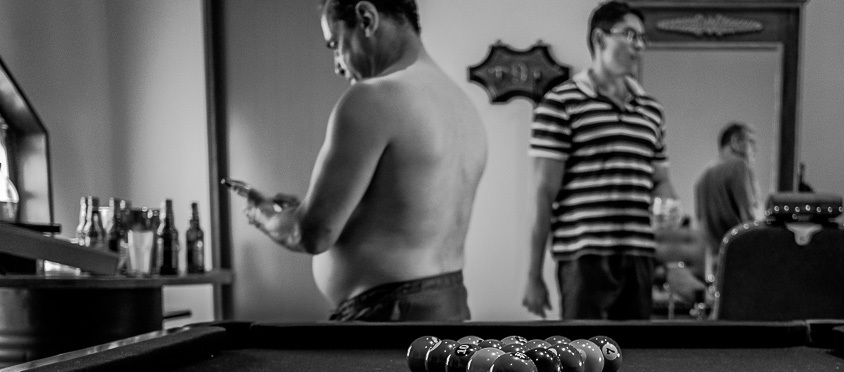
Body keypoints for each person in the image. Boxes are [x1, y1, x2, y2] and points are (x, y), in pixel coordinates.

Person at [240, 0, 488, 322]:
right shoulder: (461, 104)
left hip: (389, 318)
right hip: (449, 308)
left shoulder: (374, 97)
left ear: (366, 17)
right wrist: (309, 208)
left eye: (335, 44)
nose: (337, 65)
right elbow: (404, 217)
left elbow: (312, 233)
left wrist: (264, 215)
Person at [523, 1, 678, 320]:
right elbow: (543, 192)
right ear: (599, 38)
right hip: (584, 258)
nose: (639, 46)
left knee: (638, 351)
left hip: (638, 255)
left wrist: (668, 202)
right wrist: (533, 275)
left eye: (642, 38)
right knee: (583, 349)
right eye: (630, 35)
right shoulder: (560, 103)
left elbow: (660, 179)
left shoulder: (651, 110)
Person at [694, 122, 763, 252]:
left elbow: (700, 226)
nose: (755, 149)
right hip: (740, 252)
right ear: (735, 141)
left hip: (715, 255)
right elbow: (749, 218)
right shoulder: (739, 166)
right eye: (751, 142)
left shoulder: (702, 178)